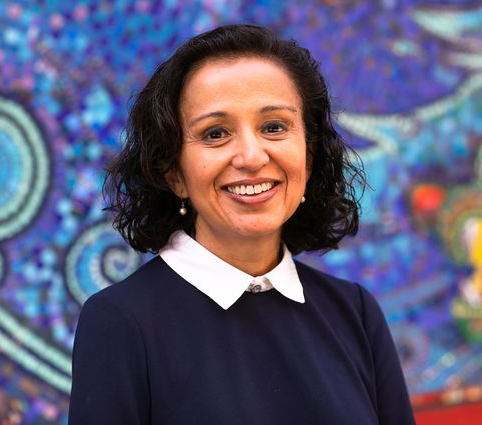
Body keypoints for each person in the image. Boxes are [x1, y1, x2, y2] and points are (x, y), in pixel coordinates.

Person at [68, 24, 415, 425]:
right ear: (173, 172)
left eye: (274, 127)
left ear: (309, 152)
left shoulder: (355, 312)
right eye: (215, 133)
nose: (251, 156)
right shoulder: (120, 323)